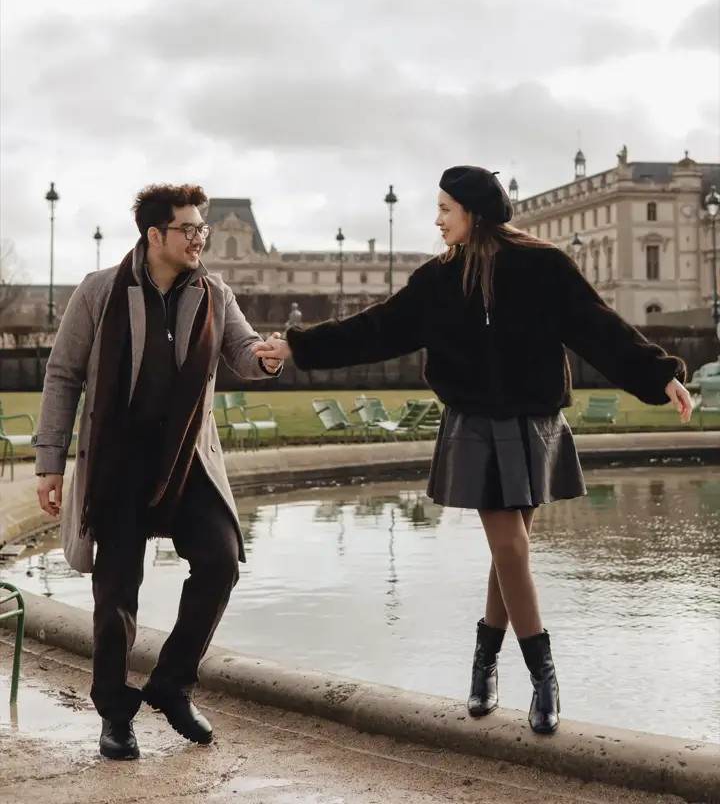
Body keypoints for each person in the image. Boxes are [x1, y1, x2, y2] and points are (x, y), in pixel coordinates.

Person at [253, 166, 692, 735]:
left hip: (534, 420)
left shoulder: (544, 267)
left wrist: (661, 377)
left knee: (510, 553)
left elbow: (598, 328)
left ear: (473, 212)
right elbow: (376, 329)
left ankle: (484, 663)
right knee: (510, 545)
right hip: (477, 422)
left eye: (444, 209)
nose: (436, 220)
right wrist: (295, 345)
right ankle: (544, 676)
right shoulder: (438, 279)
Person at [34, 184, 282, 761]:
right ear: (154, 236)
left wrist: (265, 357)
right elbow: (62, 376)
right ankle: (115, 716)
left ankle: (172, 683)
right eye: (189, 229)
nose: (199, 238)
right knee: (117, 592)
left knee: (220, 562)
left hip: (187, 459)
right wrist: (50, 462)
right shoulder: (99, 291)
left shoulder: (215, 292)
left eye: (203, 230)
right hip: (118, 461)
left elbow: (242, 351)